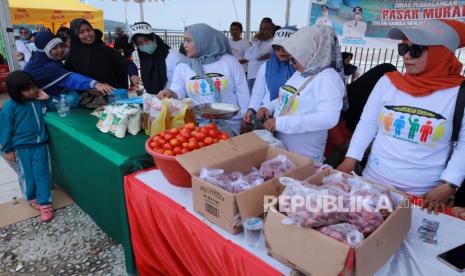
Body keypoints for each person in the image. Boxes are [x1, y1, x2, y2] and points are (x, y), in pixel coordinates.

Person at [337, 19, 465, 214]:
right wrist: (351, 159)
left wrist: (449, 184)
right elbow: (368, 123)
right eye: (403, 48)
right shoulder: (388, 83)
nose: (406, 56)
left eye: (416, 50)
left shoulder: (458, 93)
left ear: (441, 53)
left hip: (423, 196)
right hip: (372, 184)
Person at [257, 25, 345, 163]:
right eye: (290, 58)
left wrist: (280, 123)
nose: (291, 63)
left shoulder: (327, 78)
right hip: (283, 149)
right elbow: (288, 97)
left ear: (311, 52)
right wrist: (268, 107)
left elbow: (328, 118)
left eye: (295, 58)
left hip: (304, 155)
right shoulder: (302, 72)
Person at [158, 23, 250, 134]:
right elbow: (178, 92)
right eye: (184, 41)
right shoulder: (183, 66)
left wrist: (245, 116)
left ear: (203, 41)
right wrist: (170, 93)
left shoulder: (229, 61)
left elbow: (242, 91)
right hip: (199, 126)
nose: (184, 45)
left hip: (230, 124)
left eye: (189, 41)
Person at [0, 71, 54, 222]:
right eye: (26, 89)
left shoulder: (39, 100)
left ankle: (45, 204)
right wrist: (7, 149)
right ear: (16, 92)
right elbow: (4, 129)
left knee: (41, 174)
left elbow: (55, 108)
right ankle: (31, 197)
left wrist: (47, 98)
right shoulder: (10, 107)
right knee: (27, 175)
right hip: (21, 148)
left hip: (40, 145)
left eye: (33, 86)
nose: (32, 91)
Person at [23, 31, 114, 108]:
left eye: (61, 46)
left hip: (58, 91)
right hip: (41, 99)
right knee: (73, 98)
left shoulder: (44, 58)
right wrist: (94, 84)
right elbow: (70, 78)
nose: (60, 50)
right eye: (54, 48)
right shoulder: (46, 65)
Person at [242, 26, 298, 130]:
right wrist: (251, 110)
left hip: (293, 121)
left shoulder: (302, 68)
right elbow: (258, 93)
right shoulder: (266, 66)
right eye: (276, 47)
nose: (281, 51)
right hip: (266, 117)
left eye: (286, 46)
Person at [65, 18, 129, 89]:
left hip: (112, 95)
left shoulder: (106, 50)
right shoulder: (72, 57)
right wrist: (89, 88)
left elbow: (125, 63)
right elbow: (70, 81)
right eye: (81, 32)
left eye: (89, 30)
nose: (87, 34)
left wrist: (133, 75)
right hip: (85, 98)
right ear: (75, 36)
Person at [128, 22, 184, 94]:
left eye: (146, 40)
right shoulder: (145, 58)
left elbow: (184, 84)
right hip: (152, 102)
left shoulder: (173, 56)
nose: (144, 45)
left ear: (154, 38)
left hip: (173, 102)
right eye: (140, 43)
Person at [244, 19, 275, 92]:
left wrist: (254, 40)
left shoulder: (273, 42)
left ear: (272, 30)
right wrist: (256, 58)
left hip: (261, 76)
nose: (262, 31)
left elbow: (256, 55)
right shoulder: (259, 41)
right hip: (251, 74)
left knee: (258, 101)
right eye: (261, 29)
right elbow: (246, 55)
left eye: (266, 29)